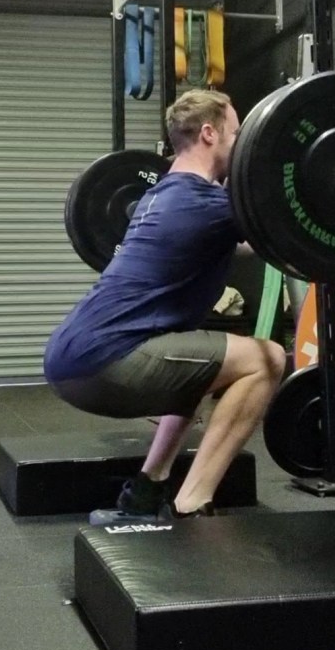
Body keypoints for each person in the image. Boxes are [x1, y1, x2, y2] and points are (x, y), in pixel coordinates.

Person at [44, 89, 286, 519]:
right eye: (236, 133)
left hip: (71, 357)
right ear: (209, 133)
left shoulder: (159, 196)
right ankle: (192, 503)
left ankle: (145, 493)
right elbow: (279, 231)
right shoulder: (205, 203)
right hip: (106, 361)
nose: (242, 145)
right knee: (265, 359)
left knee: (198, 368)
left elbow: (244, 242)